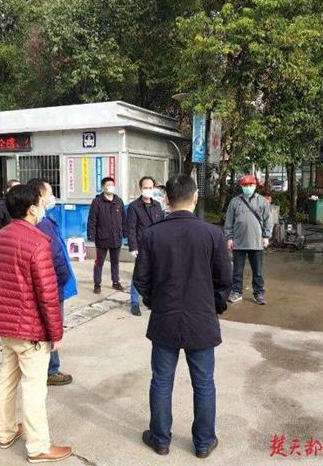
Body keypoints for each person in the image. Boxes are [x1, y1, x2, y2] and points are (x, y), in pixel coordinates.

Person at [133, 174, 231, 459]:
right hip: (201, 319)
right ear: (195, 197)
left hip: (165, 317)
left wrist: (155, 302)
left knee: (162, 381)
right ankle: (204, 442)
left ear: (166, 199)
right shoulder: (212, 234)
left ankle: (160, 438)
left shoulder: (152, 234)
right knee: (204, 383)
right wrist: (213, 307)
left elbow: (141, 280)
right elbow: (225, 280)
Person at [0, 183, 71, 463]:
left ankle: (6, 431)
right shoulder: (37, 242)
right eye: (39, 202)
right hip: (29, 329)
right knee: (34, 387)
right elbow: (47, 294)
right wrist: (55, 333)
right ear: (32, 208)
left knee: (7, 379)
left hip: (5, 324)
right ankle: (38, 447)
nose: (42, 207)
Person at [27, 178, 77, 387]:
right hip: (53, 286)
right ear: (40, 197)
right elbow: (57, 257)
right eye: (49, 193)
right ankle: (51, 370)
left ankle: (46, 367)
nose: (52, 197)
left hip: (48, 284)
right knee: (52, 326)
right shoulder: (43, 223)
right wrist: (62, 280)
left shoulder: (39, 220)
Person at [224, 175, 273, 305]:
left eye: (250, 185)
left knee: (257, 271)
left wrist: (266, 236)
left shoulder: (262, 201)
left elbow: (268, 220)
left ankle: (259, 293)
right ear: (241, 186)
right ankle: (236, 292)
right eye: (245, 185)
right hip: (238, 242)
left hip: (257, 242)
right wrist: (229, 237)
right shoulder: (234, 202)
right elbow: (229, 221)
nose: (248, 187)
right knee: (237, 270)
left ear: (255, 186)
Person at [126, 176, 164, 316]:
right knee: (139, 274)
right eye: (145, 187)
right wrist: (133, 247)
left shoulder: (157, 205)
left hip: (156, 246)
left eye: (150, 188)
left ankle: (151, 300)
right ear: (140, 188)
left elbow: (161, 225)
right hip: (141, 246)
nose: (148, 190)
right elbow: (131, 228)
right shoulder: (134, 206)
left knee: (155, 274)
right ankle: (134, 303)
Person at [87, 177, 127, 294]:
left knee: (115, 262)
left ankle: (115, 281)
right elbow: (92, 220)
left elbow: (123, 219)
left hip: (116, 238)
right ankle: (97, 284)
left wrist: (124, 232)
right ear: (103, 187)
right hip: (102, 238)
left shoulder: (118, 201)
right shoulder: (97, 202)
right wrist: (91, 235)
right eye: (108, 185)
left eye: (112, 185)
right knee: (99, 262)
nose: (111, 187)